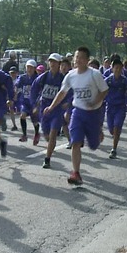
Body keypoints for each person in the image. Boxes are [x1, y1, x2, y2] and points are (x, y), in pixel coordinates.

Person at [44, 46, 109, 185]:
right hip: (78, 112)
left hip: (93, 113)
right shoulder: (71, 75)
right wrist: (51, 106)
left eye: (81, 57)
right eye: (76, 57)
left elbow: (104, 91)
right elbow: (62, 93)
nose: (77, 60)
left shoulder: (95, 74)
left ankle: (97, 133)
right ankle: (76, 173)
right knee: (76, 142)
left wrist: (95, 101)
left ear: (87, 60)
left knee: (93, 145)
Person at [31, 53, 68, 168]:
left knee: (52, 135)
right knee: (46, 134)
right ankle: (51, 146)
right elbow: (34, 89)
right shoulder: (44, 77)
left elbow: (70, 92)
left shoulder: (63, 79)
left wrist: (67, 102)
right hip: (45, 109)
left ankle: (47, 159)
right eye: (50, 61)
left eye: (55, 62)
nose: (52, 64)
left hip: (57, 110)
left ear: (59, 64)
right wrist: (34, 106)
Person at [104, 58, 127, 158]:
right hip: (110, 107)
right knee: (111, 130)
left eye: (119, 68)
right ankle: (115, 137)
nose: (117, 70)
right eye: (115, 68)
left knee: (117, 127)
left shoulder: (125, 81)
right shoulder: (108, 80)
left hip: (120, 107)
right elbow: (100, 91)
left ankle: (114, 149)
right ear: (112, 68)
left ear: (122, 69)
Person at [16, 60, 40, 144]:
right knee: (22, 116)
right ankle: (24, 135)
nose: (29, 69)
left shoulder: (37, 78)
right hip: (25, 102)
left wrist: (38, 103)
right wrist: (15, 93)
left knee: (35, 121)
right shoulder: (22, 77)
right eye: (28, 67)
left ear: (34, 69)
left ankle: (37, 134)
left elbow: (41, 90)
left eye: (31, 67)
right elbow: (17, 85)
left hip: (33, 103)